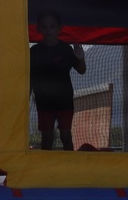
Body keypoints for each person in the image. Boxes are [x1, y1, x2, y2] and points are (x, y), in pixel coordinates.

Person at [30, 11, 87, 150]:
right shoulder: (34, 51)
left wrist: (80, 58)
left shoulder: (66, 49)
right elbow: (29, 76)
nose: (48, 30)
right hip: (44, 102)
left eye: (52, 26)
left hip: (64, 101)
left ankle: (70, 166)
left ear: (59, 28)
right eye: (44, 27)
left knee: (65, 136)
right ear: (38, 29)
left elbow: (81, 70)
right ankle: (46, 168)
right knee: (47, 138)